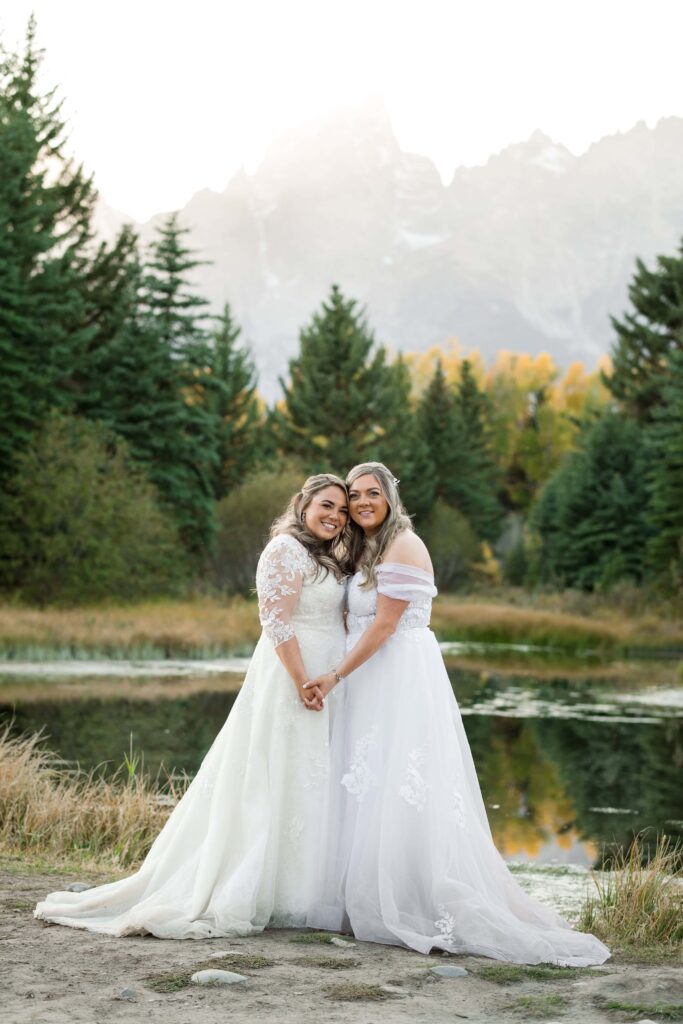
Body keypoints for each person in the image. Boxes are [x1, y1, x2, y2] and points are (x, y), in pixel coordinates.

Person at [305, 462, 609, 967]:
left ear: (390, 497)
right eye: (354, 494)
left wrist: (335, 675)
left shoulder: (403, 544)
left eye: (371, 493)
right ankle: (360, 890)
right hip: (368, 678)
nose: (360, 502)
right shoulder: (365, 548)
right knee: (367, 782)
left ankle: (408, 897)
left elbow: (382, 627)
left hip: (395, 675)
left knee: (400, 780)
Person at [34, 474, 350, 939]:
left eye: (342, 510)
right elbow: (276, 622)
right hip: (291, 679)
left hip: (324, 678)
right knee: (274, 774)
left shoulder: (328, 556)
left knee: (308, 777)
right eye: (327, 505)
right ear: (302, 503)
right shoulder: (283, 550)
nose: (335, 516)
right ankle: (255, 888)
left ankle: (300, 892)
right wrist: (302, 680)